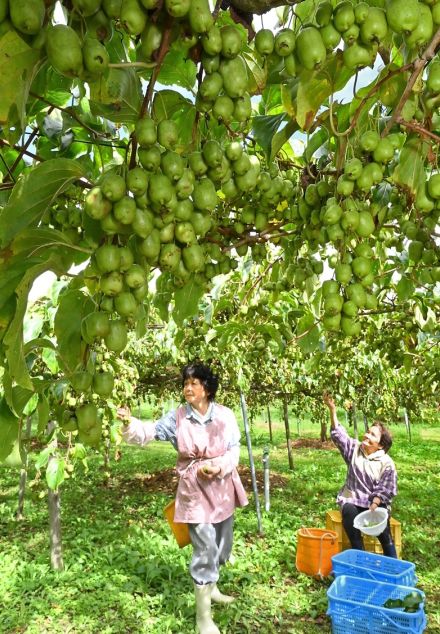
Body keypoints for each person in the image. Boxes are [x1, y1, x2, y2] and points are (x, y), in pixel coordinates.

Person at [118, 362, 248, 634]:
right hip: (194, 491)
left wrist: (219, 465)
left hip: (222, 487)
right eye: (185, 384)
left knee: (222, 546)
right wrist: (129, 423)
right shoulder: (177, 417)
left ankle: (212, 589)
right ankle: (203, 619)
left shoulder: (224, 416)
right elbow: (147, 433)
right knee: (205, 548)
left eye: (194, 383)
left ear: (207, 388)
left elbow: (235, 451)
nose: (188, 388)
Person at [323, 393, 398, 558]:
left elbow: (387, 487)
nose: (366, 435)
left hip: (374, 503)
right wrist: (332, 409)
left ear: (380, 446)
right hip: (354, 500)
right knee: (349, 516)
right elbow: (339, 436)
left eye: (372, 435)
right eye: (367, 432)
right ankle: (361, 558)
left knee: (384, 533)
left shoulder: (386, 463)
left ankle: (394, 564)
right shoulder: (355, 450)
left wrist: (376, 502)